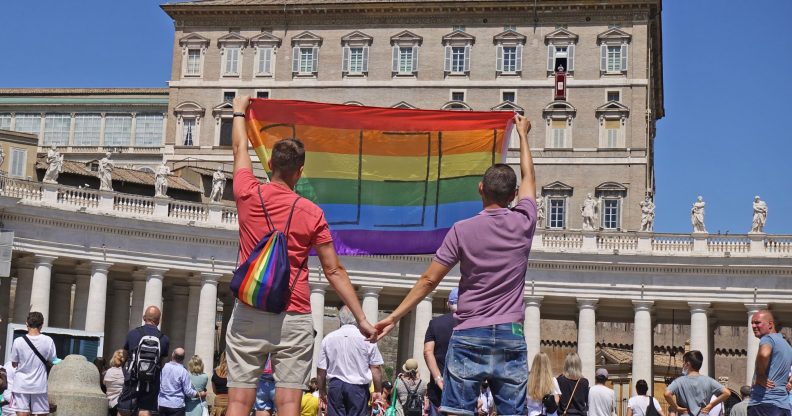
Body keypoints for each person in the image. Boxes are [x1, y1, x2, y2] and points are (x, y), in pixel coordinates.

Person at [374, 114, 536, 415]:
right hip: (511, 333)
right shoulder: (524, 223)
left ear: (480, 189)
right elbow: (529, 178)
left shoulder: (461, 230)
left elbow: (428, 281)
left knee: (456, 412)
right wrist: (523, 136)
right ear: (513, 196)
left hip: (470, 331)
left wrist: (393, 316)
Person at [226, 96, 375, 416]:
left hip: (250, 309)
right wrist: (360, 318)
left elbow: (239, 150)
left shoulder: (248, 193)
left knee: (239, 400)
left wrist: (239, 111)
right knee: (289, 401)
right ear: (300, 171)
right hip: (294, 312)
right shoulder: (313, 214)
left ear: (270, 165)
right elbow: (334, 271)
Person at [317, 306, 384, 416]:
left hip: (336, 386)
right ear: (358, 319)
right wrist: (377, 390)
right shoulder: (367, 339)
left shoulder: (328, 339)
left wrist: (322, 391)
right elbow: (375, 368)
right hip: (358, 388)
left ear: (340, 319)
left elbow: (321, 370)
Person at [117, 305, 171, 416]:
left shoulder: (132, 334)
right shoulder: (164, 339)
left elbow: (124, 355)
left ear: (143, 317)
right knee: (145, 410)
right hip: (151, 381)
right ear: (158, 320)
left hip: (132, 378)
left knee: (123, 410)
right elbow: (162, 361)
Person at [9, 311, 56, 416]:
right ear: (42, 324)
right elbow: (53, 360)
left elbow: (14, 363)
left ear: (26, 323)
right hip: (39, 384)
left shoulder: (18, 341)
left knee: (22, 412)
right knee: (42, 413)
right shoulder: (48, 341)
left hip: (21, 383)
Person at [748, 310, 792, 416]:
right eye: (752, 323)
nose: (753, 326)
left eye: (757, 322)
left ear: (770, 324)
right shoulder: (787, 346)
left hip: (764, 404)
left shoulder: (767, 339)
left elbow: (764, 354)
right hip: (783, 406)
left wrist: (760, 375)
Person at [423, 288, 459, 416]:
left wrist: (438, 378)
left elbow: (428, 352)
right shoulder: (474, 324)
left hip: (439, 389)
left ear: (448, 304)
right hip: (465, 388)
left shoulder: (435, 323)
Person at [663, 350, 730, 416]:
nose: (683, 364)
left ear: (687, 364)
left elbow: (667, 394)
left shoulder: (679, 381)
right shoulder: (709, 380)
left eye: (684, 362)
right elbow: (727, 393)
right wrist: (711, 405)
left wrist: (676, 408)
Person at [157, 348, 207, 416]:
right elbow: (188, 391)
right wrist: (200, 394)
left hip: (163, 403)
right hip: (176, 405)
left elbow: (159, 384)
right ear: (183, 358)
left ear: (172, 355)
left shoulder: (164, 367)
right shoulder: (183, 371)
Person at [105, 350, 127, 416]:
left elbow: (104, 383)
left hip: (109, 403)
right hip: (121, 404)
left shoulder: (108, 371)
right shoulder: (125, 373)